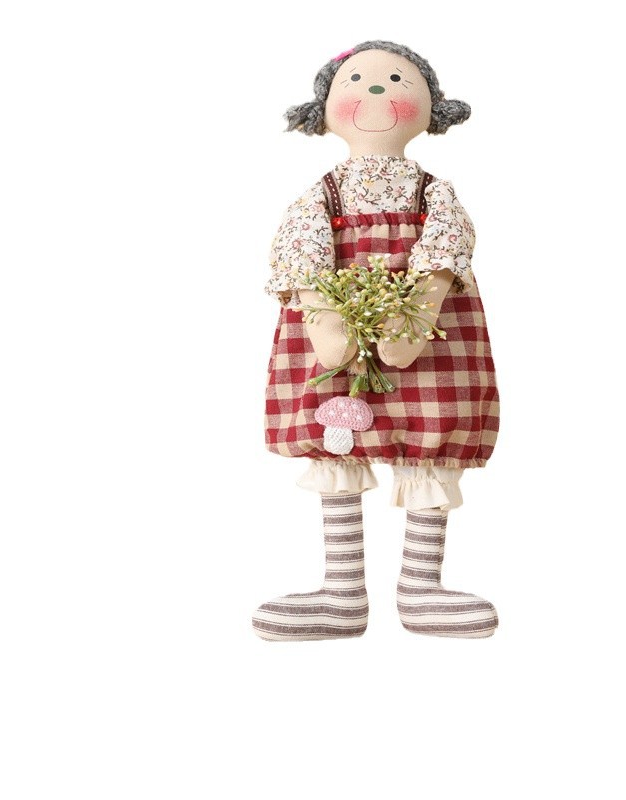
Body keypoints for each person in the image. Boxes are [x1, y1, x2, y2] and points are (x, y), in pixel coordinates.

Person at [253, 41, 500, 640]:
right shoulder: (321, 195)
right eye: (359, 81)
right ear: (324, 108)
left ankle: (420, 587)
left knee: (429, 438)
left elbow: (446, 242)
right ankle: (342, 592)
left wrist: (422, 303)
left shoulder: (434, 193)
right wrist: (322, 316)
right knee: (337, 441)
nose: (377, 91)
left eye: (395, 80)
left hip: (429, 331)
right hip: (339, 327)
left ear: (431, 107)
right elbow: (300, 249)